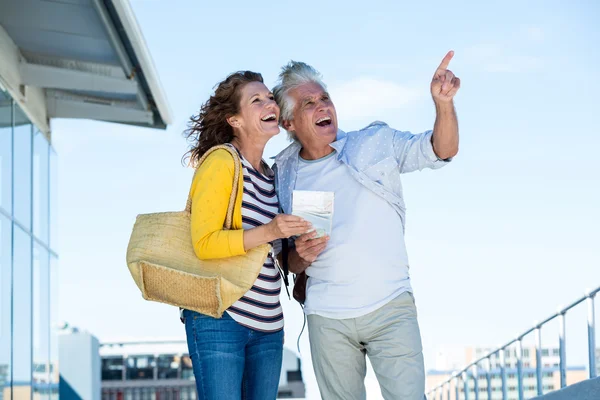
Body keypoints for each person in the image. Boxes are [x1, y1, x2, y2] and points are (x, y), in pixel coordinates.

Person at [272, 52, 460, 400]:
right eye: (308, 103)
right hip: (327, 318)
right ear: (289, 123)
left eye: (324, 98)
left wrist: (443, 104)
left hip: (390, 306)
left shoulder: (373, 143)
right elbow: (282, 259)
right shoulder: (282, 174)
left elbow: (440, 150)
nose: (322, 106)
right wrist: (300, 256)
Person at [181, 71, 311, 400]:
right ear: (235, 120)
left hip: (269, 325)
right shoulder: (223, 162)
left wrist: (304, 253)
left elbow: (277, 257)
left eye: (270, 98)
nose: (270, 103)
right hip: (220, 318)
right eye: (257, 100)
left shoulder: (274, 175)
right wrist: (269, 230)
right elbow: (204, 244)